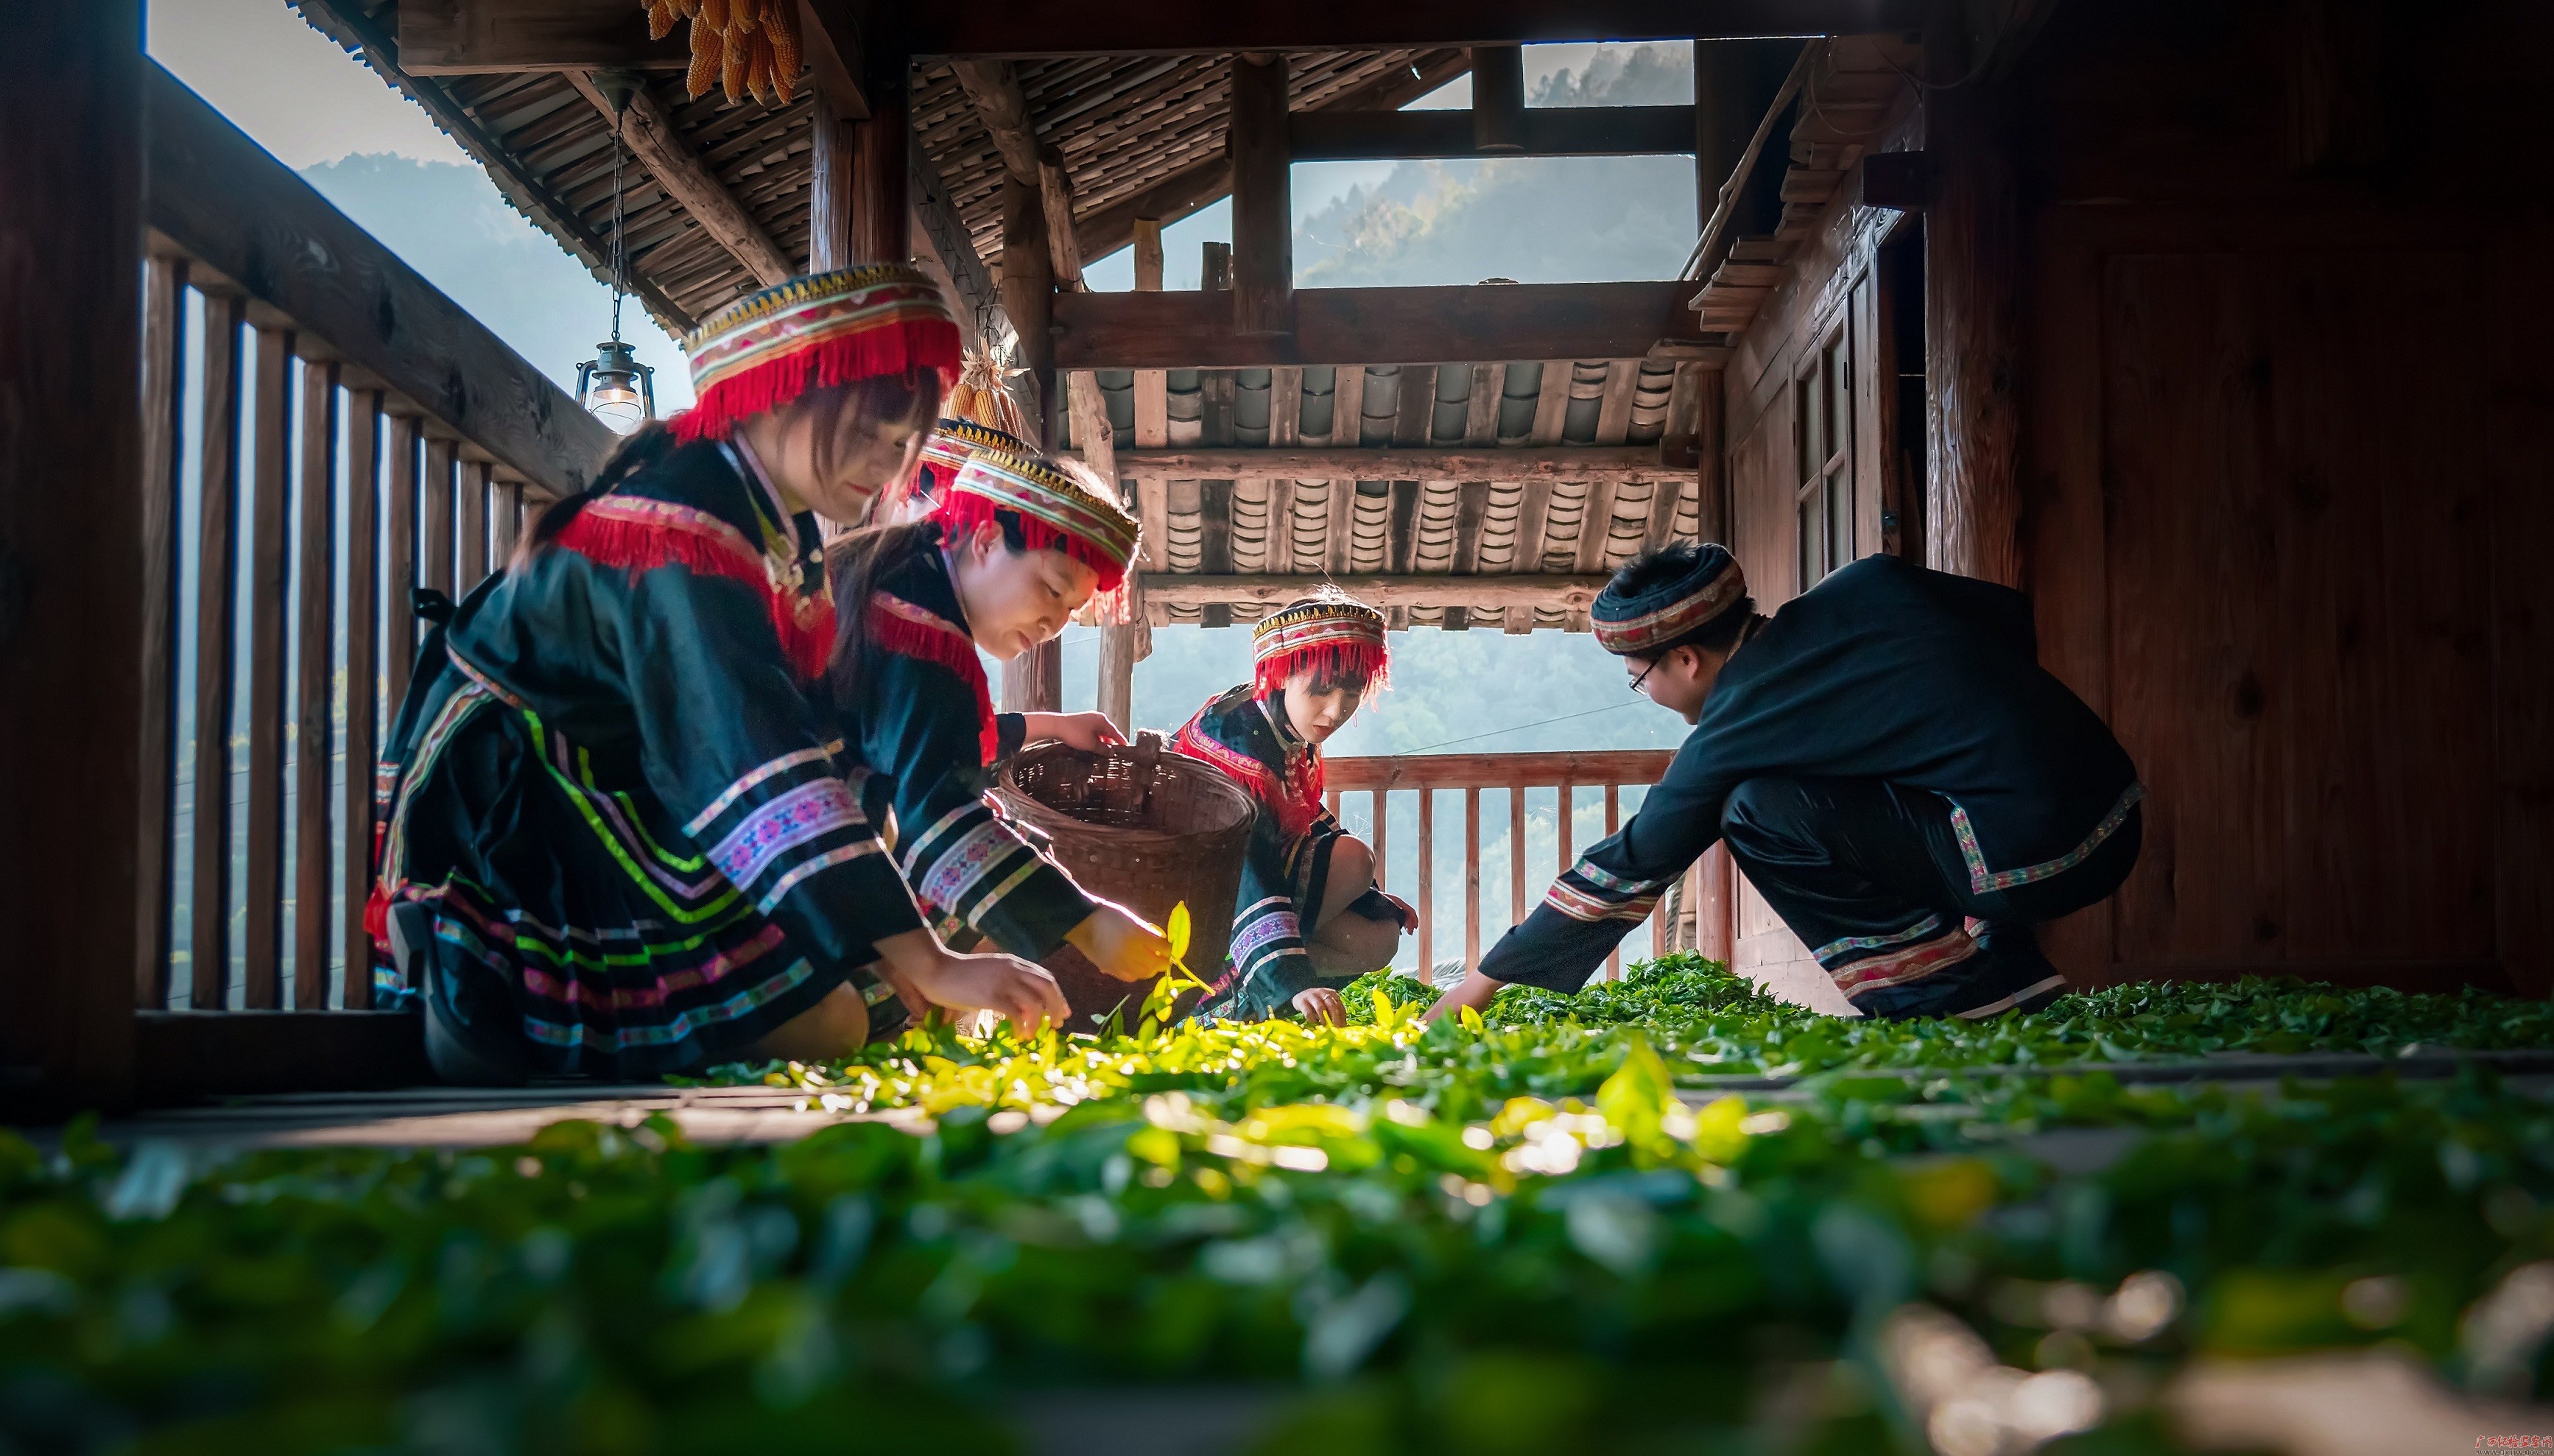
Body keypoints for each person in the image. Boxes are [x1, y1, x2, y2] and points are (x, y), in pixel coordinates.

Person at [371, 265, 1069, 1085]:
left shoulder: (764, 523)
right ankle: (478, 974)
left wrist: (913, 956)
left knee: (855, 1004)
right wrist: (935, 962)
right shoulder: (683, 524)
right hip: (525, 809)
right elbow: (752, 754)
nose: (887, 465)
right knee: (845, 1012)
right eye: (874, 431)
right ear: (782, 393)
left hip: (632, 794)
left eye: (900, 444)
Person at [1427, 543, 2143, 1024]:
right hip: (2116, 809)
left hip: (2027, 860)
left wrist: (1480, 985)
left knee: (1756, 810)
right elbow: (2008, 616)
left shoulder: (1744, 710)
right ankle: (2006, 963)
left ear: (1684, 660)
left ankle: (1955, 998)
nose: (1643, 692)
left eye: (1637, 680)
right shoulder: (1873, 581)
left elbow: (1632, 863)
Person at [826, 446, 1173, 1021]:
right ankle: (877, 1017)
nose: (1055, 623)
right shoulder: (917, 628)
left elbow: (930, 744)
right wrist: (1085, 921)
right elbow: (930, 809)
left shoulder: (906, 581)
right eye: (1052, 588)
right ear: (986, 540)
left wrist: (1050, 727)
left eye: (1072, 609)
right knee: (974, 866)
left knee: (1017, 858)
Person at [1173, 590, 1415, 1024]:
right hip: (1198, 896)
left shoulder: (1287, 728)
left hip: (1245, 883)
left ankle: (1265, 991)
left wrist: (1369, 896)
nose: (1337, 708)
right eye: (1322, 689)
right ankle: (1233, 996)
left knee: (1378, 939)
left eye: (1353, 690)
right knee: (1353, 859)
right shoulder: (1235, 736)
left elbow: (1303, 821)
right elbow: (1249, 866)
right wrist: (1292, 981)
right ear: (1283, 674)